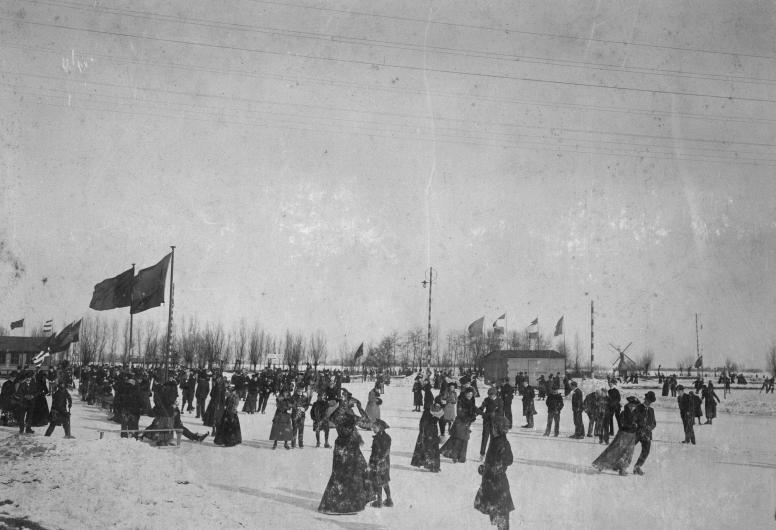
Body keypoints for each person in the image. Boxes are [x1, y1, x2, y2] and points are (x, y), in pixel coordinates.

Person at [318, 414, 372, 514]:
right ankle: (343, 507)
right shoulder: (349, 438)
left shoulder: (344, 437)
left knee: (342, 485)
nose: (346, 430)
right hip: (347, 468)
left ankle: (340, 507)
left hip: (345, 468)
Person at [474, 416, 514, 530]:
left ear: (499, 429)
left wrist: (497, 468)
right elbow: (492, 460)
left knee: (501, 513)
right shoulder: (495, 441)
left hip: (499, 484)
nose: (492, 430)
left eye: (494, 428)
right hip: (492, 483)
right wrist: (485, 468)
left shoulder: (503, 443)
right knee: (496, 513)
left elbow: (509, 459)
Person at [592, 395, 640, 475]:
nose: (633, 407)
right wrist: (632, 425)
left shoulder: (635, 412)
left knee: (628, 452)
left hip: (632, 434)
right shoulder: (624, 413)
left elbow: (637, 421)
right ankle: (602, 464)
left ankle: (621, 468)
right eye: (632, 405)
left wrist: (636, 425)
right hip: (624, 434)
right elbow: (622, 424)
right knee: (615, 450)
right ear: (629, 404)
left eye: (635, 405)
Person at [441, 386, 477, 463]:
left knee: (465, 440)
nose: (469, 396)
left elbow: (474, 410)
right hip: (460, 422)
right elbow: (459, 413)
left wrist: (476, 415)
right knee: (458, 439)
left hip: (467, 423)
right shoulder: (461, 401)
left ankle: (462, 457)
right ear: (465, 394)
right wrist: (468, 417)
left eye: (471, 394)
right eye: (468, 394)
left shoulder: (472, 401)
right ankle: (454, 456)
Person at [410, 395, 443, 472]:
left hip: (434, 430)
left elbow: (442, 422)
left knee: (434, 448)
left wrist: (442, 433)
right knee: (428, 448)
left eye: (440, 404)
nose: (438, 405)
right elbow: (423, 421)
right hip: (427, 430)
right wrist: (422, 431)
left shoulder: (441, 410)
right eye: (438, 403)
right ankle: (431, 465)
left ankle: (435, 465)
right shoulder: (429, 409)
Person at [368, 419, 393, 508]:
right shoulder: (387, 437)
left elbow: (379, 452)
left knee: (378, 481)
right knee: (384, 480)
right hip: (385, 462)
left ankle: (379, 502)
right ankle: (389, 500)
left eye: (375, 427)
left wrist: (374, 462)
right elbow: (387, 451)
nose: (373, 429)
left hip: (378, 461)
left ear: (381, 428)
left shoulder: (378, 438)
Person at [632, 391, 656, 475]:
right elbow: (633, 419)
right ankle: (619, 464)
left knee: (646, 451)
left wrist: (650, 427)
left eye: (650, 402)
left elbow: (654, 423)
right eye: (648, 400)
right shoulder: (638, 408)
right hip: (637, 433)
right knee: (628, 448)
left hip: (647, 434)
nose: (649, 403)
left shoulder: (651, 410)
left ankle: (637, 467)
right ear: (645, 399)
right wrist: (637, 426)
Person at [478, 387, 504, 459]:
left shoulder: (500, 401)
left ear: (495, 394)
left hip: (495, 422)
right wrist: (478, 412)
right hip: (487, 421)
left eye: (492, 395)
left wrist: (495, 415)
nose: (490, 396)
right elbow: (481, 408)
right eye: (489, 395)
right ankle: (482, 454)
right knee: (485, 437)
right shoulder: (486, 400)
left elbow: (501, 412)